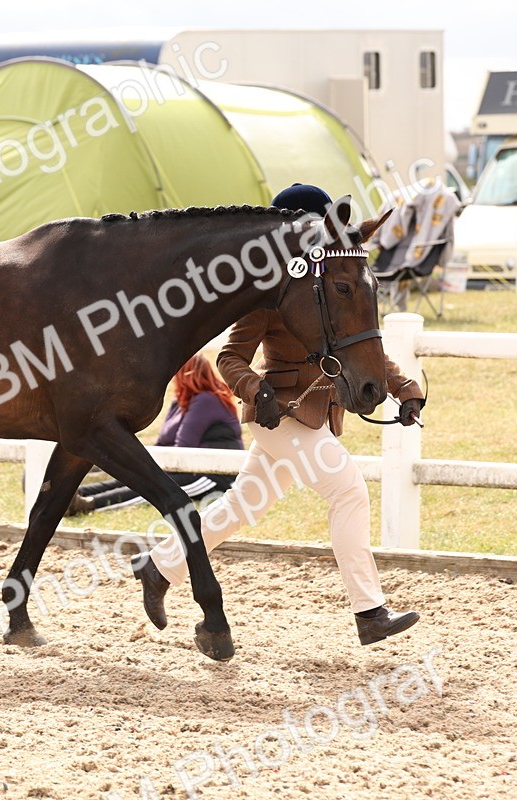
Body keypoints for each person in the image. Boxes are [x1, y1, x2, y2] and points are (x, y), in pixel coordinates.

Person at [133, 183, 426, 647]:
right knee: (348, 491)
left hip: (316, 414)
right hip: (280, 417)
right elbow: (230, 358)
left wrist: (405, 389)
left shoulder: (327, 282)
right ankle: (369, 612)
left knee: (240, 507)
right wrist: (256, 389)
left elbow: (358, 345)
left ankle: (160, 566)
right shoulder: (267, 292)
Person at [66, 353, 244, 515]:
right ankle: (76, 496)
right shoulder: (180, 401)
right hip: (184, 468)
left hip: (210, 476)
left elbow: (183, 446)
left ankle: (89, 505)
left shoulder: (206, 400)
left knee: (153, 489)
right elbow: (162, 444)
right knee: (134, 475)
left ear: (186, 374)